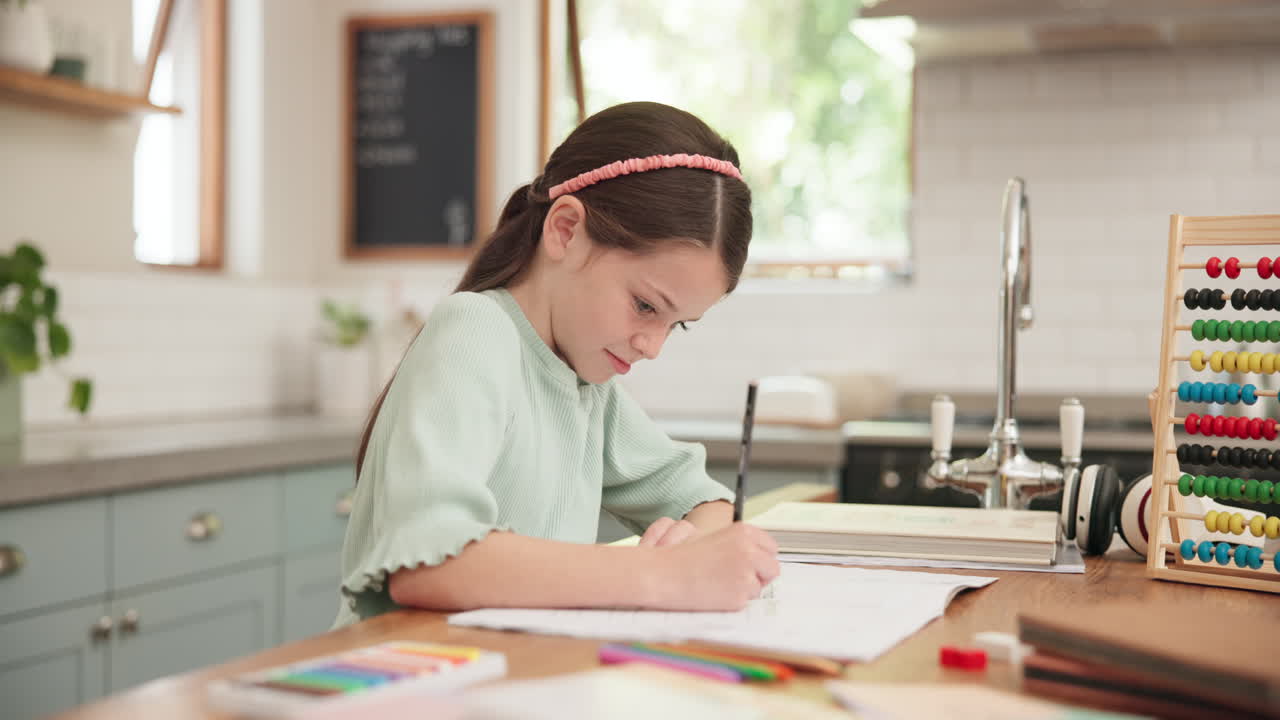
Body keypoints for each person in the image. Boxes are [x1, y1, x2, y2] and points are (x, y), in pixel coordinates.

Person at [334, 101, 780, 628]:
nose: (652, 346)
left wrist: (698, 547)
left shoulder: (585, 384)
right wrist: (667, 574)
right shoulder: (475, 330)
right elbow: (430, 563)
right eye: (645, 306)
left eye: (676, 324)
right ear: (565, 230)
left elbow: (706, 502)